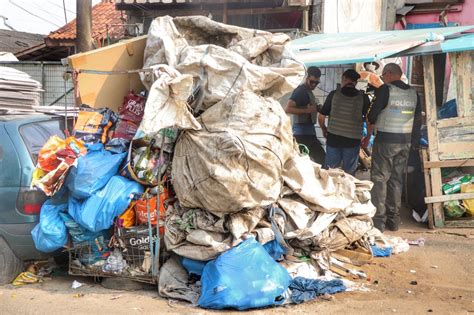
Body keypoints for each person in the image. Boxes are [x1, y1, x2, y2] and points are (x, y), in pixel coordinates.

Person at [366, 63, 422, 232]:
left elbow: (372, 114)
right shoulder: (414, 93)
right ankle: (394, 220)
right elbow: (418, 120)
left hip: (386, 141)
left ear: (390, 74)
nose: (383, 79)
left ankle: (379, 221)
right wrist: (414, 142)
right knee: (396, 179)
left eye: (383, 76)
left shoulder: (385, 90)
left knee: (380, 179)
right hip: (405, 142)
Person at [318, 69, 371, 175]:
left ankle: (332, 191)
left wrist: (324, 129)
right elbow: (369, 120)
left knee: (331, 172)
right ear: (355, 82)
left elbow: (321, 116)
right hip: (352, 141)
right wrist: (368, 136)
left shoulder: (334, 94)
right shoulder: (363, 98)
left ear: (344, 79)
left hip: (333, 138)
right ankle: (348, 190)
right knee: (349, 173)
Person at [285, 66, 325, 165]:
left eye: (316, 83)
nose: (314, 85)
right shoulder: (300, 91)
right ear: (306, 77)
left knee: (320, 160)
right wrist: (307, 110)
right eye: (312, 82)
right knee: (310, 161)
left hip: (309, 132)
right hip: (301, 134)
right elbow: (288, 109)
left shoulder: (308, 91)